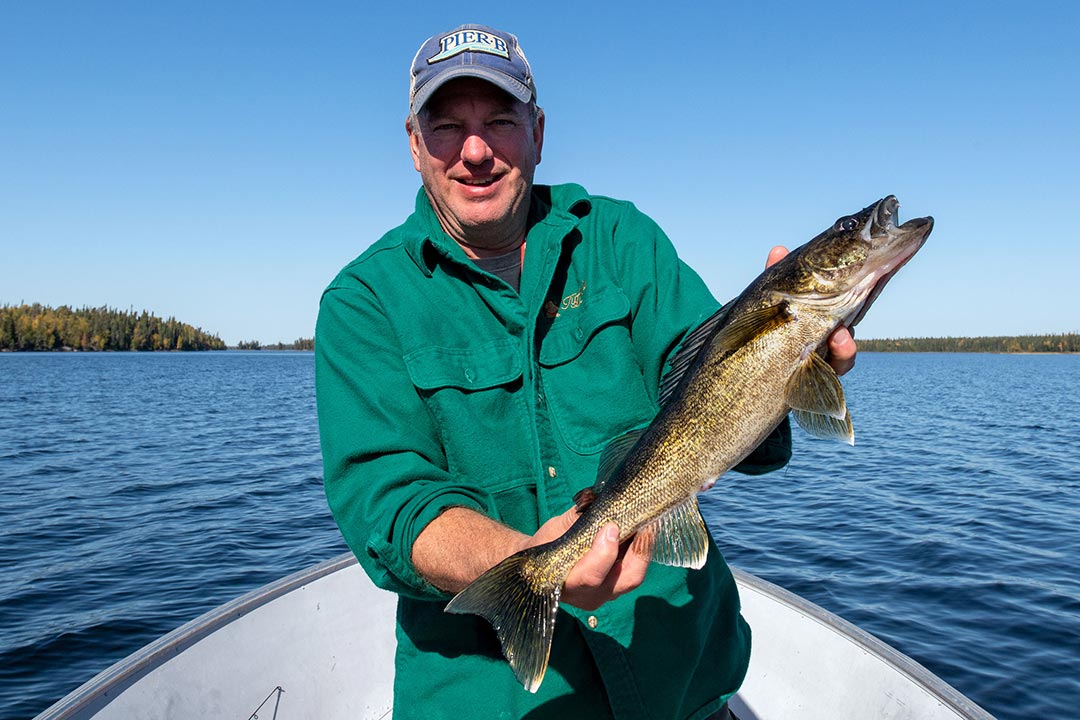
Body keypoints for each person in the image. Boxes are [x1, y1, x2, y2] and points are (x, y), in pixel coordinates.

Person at [315, 23, 856, 720]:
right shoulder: (365, 301)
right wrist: (527, 566)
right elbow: (386, 502)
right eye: (447, 127)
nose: (475, 151)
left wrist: (783, 355)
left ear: (538, 131)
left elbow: (711, 400)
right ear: (415, 146)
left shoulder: (622, 242)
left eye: (500, 121)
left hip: (682, 687)